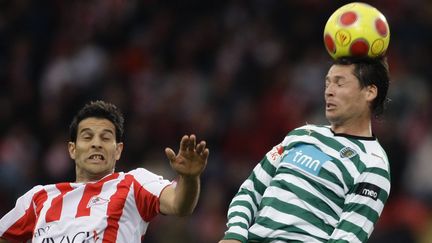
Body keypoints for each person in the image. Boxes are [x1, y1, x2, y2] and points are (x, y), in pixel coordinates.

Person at [219, 56, 391, 243]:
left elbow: (347, 238)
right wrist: (235, 234)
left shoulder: (373, 163)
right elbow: (251, 190)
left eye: (340, 84)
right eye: (327, 83)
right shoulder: (300, 135)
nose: (329, 92)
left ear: (370, 92)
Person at [0, 100, 209, 243]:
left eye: (106, 137)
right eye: (88, 137)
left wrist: (189, 179)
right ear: (72, 149)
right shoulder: (39, 197)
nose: (96, 144)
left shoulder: (134, 183)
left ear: (118, 150)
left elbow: (180, 205)